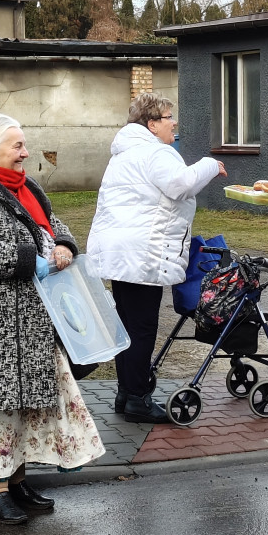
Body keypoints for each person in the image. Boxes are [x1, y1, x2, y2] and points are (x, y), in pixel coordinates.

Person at [0, 111, 105, 525]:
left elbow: (51, 222)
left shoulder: (26, 186)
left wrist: (63, 244)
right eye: (17, 145)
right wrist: (27, 259)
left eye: (23, 144)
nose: (25, 152)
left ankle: (17, 482)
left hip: (33, 321)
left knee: (25, 406)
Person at [87, 92, 227, 424]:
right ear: (151, 124)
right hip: (142, 254)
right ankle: (137, 399)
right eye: (168, 117)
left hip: (119, 253)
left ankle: (126, 393)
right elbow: (181, 184)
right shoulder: (155, 152)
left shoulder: (124, 154)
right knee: (142, 327)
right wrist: (210, 163)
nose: (174, 123)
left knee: (127, 324)